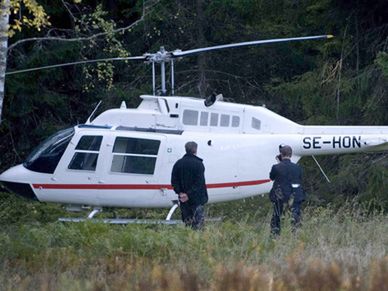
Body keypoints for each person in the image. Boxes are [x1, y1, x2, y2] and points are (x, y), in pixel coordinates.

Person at [171, 141, 208, 229]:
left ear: (186, 149)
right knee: (198, 225)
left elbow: (174, 181)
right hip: (196, 199)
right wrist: (189, 194)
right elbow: (199, 183)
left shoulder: (178, 164)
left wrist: (180, 193)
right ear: (195, 150)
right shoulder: (199, 164)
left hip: (183, 200)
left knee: (187, 223)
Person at [269, 145, 305, 235]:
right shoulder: (297, 167)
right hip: (295, 195)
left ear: (281, 154)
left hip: (280, 196)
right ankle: (295, 235)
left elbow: (272, 177)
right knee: (295, 216)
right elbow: (299, 178)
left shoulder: (276, 167)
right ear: (291, 155)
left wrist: (279, 163)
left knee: (277, 217)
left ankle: (275, 236)